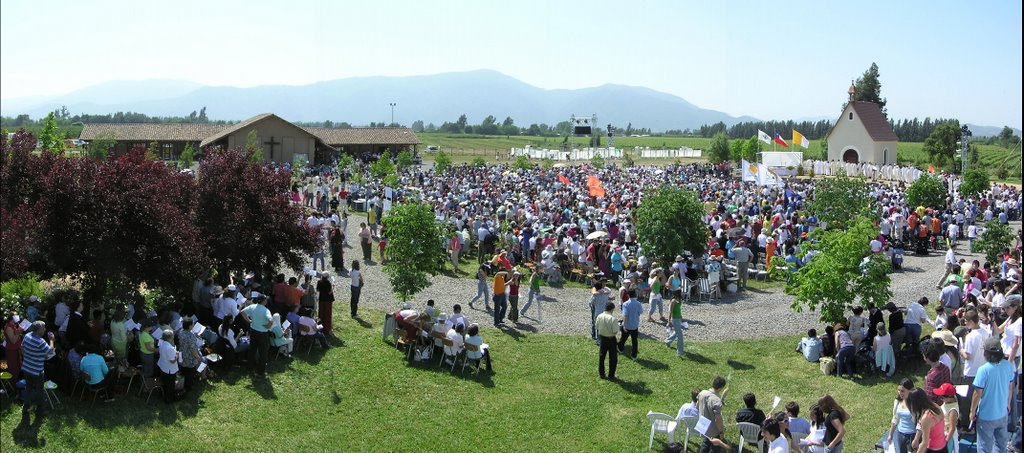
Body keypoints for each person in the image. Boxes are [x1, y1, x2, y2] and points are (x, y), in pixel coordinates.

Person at [971, 337, 1014, 453]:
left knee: (984, 448)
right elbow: (1010, 387)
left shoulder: (983, 370)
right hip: (1002, 414)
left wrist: (972, 412)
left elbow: (977, 394)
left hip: (986, 416)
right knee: (1001, 446)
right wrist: (1008, 404)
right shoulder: (1008, 366)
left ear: (986, 353)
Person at [20, 321, 54, 418]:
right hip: (37, 371)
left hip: (26, 367)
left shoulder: (27, 335)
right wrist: (51, 340)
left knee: (28, 388)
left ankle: (26, 406)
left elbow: (22, 347)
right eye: (43, 328)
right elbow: (50, 351)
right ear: (38, 330)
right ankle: (40, 411)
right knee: (40, 391)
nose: (45, 329)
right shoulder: (40, 341)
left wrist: (30, 356)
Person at [904, 388, 947, 453]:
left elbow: (924, 443)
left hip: (933, 449)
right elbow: (922, 424)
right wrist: (916, 438)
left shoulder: (926, 418)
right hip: (943, 446)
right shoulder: (935, 406)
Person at [241, 294, 273, 377]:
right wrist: (268, 326)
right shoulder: (266, 310)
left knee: (252, 350)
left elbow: (242, 312)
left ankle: (249, 368)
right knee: (263, 353)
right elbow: (271, 320)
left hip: (253, 332)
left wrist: (249, 321)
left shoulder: (252, 307)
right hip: (262, 334)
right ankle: (260, 372)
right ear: (263, 301)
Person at [697, 376, 728, 453]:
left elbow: (697, 406)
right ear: (721, 388)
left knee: (706, 441)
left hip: (702, 424)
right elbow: (717, 419)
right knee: (715, 447)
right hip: (713, 429)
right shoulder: (717, 401)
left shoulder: (702, 393)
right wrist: (721, 432)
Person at [887, 378, 916, 453]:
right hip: (900, 433)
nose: (900, 393)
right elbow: (895, 419)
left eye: (902, 391)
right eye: (899, 390)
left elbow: (920, 422)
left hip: (913, 434)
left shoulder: (915, 403)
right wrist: (890, 435)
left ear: (910, 390)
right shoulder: (897, 402)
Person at [177, 317, 203, 393]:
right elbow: (193, 350)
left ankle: (182, 384)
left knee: (183, 371)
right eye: (193, 324)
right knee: (190, 373)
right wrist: (198, 358)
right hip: (190, 357)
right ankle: (188, 388)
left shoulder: (181, 332)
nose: (194, 325)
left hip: (182, 354)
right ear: (189, 326)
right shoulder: (191, 336)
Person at [922, 339, 952, 404]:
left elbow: (930, 397)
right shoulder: (945, 367)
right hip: (945, 401)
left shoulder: (932, 376)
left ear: (927, 358)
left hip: (935, 406)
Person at [933, 383, 960, 453]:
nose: (941, 399)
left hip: (947, 437)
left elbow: (952, 428)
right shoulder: (947, 403)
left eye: (942, 397)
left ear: (950, 397)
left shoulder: (953, 410)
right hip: (941, 433)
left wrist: (946, 441)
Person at [596, 301, 618, 380]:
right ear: (612, 309)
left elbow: (597, 326)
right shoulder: (613, 319)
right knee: (613, 358)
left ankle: (601, 373)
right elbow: (615, 331)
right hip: (611, 339)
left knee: (602, 356)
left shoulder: (599, 316)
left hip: (602, 338)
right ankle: (611, 375)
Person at [617, 289, 642, 359]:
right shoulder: (638, 303)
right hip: (635, 325)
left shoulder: (625, 304)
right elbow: (640, 312)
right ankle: (634, 355)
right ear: (635, 295)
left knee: (623, 339)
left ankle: (620, 349)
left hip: (627, 325)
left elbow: (625, 315)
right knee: (634, 341)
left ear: (628, 295)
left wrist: (624, 325)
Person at [156, 329, 179, 403]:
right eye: (172, 335)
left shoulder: (161, 343)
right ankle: (169, 399)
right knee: (170, 385)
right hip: (169, 369)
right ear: (169, 337)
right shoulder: (170, 348)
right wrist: (177, 355)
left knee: (164, 382)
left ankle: (162, 395)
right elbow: (172, 361)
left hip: (163, 366)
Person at [3, 312, 24, 381]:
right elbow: (13, 341)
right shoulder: (9, 327)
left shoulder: (14, 325)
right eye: (16, 316)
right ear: (12, 318)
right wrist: (18, 332)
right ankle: (13, 386)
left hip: (16, 349)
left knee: (18, 367)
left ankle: (17, 384)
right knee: (13, 368)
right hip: (11, 350)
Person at [664, 292, 685, 357]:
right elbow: (670, 311)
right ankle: (680, 352)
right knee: (680, 335)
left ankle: (667, 341)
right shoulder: (673, 301)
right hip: (675, 319)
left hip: (678, 319)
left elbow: (678, 309)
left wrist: (681, 316)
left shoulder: (678, 300)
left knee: (676, 332)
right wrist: (669, 321)